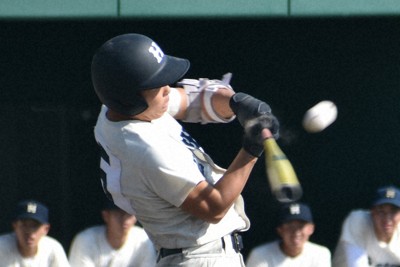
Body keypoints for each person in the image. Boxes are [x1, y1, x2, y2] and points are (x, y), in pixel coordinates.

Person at [91, 33, 280, 266]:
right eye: (157, 85)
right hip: (199, 257)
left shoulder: (120, 108)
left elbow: (193, 101)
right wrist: (251, 149)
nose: (167, 88)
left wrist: (236, 103)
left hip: (197, 253)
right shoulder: (145, 149)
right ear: (131, 100)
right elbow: (214, 207)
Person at [68, 198, 157, 266]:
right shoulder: (86, 240)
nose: (125, 219)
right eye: (119, 214)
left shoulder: (143, 241)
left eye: (129, 214)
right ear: (106, 215)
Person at [246, 202, 331, 267]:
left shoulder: (321, 254)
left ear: (311, 229)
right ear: (280, 230)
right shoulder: (260, 254)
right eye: (290, 227)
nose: (296, 232)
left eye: (301, 227)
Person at [332, 185, 400, 266]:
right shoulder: (358, 220)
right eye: (381, 211)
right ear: (372, 212)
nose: (387, 218)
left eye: (393, 212)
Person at [0, 199, 70, 266]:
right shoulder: (2, 246)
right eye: (24, 225)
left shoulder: (53, 248)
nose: (29, 232)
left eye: (34, 226)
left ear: (46, 229)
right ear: (15, 226)